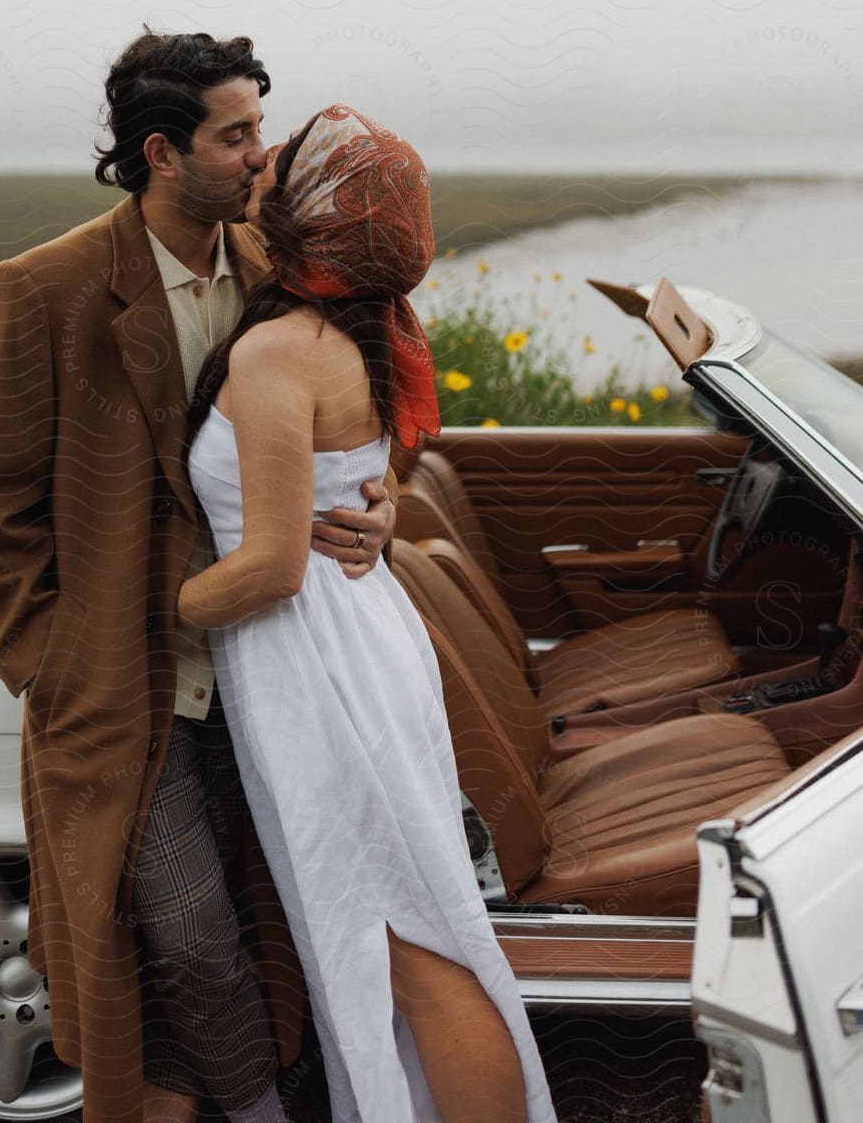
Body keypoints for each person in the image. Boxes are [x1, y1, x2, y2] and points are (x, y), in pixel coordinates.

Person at [0, 32, 398, 1123]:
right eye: (235, 135)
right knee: (186, 935)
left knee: (278, 916)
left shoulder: (280, 277)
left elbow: (358, 417)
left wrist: (384, 503)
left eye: (259, 130)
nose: (261, 156)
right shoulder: (43, 289)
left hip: (272, 668)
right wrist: (54, 665)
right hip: (126, 689)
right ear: (162, 152)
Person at [180, 105, 558, 1123]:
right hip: (356, 640)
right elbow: (358, 470)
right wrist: (375, 502)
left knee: (405, 940)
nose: (261, 167)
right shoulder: (363, 322)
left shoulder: (276, 351)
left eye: (281, 164)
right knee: (412, 924)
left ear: (308, 214)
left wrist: (149, 611)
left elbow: (266, 567)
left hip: (317, 667)